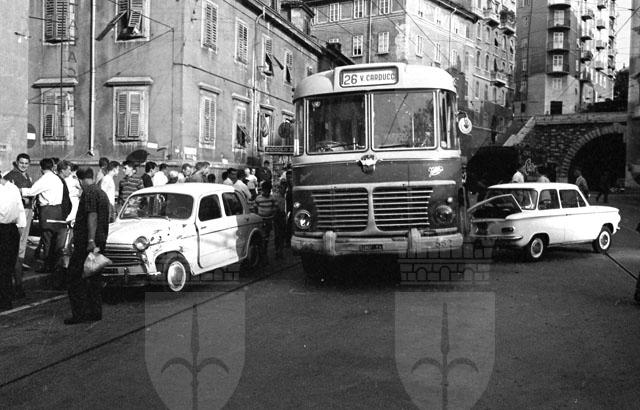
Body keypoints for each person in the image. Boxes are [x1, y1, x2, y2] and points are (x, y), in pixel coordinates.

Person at [65, 168, 110, 324]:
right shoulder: (101, 193)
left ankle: (80, 314)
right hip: (99, 242)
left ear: (80, 180)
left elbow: (92, 216)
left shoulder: (89, 192)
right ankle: (95, 311)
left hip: (87, 244)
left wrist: (90, 240)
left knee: (75, 278)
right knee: (94, 278)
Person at [21, 158, 67, 274]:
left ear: (41, 168)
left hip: (47, 210)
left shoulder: (45, 179)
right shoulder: (57, 178)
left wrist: (18, 190)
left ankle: (47, 265)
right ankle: (53, 265)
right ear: (52, 167)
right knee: (55, 240)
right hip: (58, 210)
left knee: (47, 239)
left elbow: (31, 191)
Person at [3, 153, 33, 299]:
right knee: (17, 250)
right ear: (16, 162)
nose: (23, 165)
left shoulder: (27, 176)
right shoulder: (11, 177)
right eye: (21, 163)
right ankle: (17, 285)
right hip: (19, 214)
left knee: (19, 249)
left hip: (25, 213)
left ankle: (16, 285)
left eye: (26, 163)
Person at [0, 171, 26, 311]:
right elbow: (21, 211)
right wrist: (19, 230)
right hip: (12, 230)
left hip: (3, 229)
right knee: (7, 267)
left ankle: (4, 299)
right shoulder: (13, 188)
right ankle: (6, 299)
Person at [254, 181, 279, 262]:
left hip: (269, 220)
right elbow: (255, 208)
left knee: (266, 238)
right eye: (265, 190)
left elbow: (275, 208)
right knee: (261, 238)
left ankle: (264, 254)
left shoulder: (272, 198)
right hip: (261, 221)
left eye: (268, 190)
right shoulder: (258, 198)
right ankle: (262, 254)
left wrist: (272, 216)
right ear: (263, 190)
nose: (267, 192)